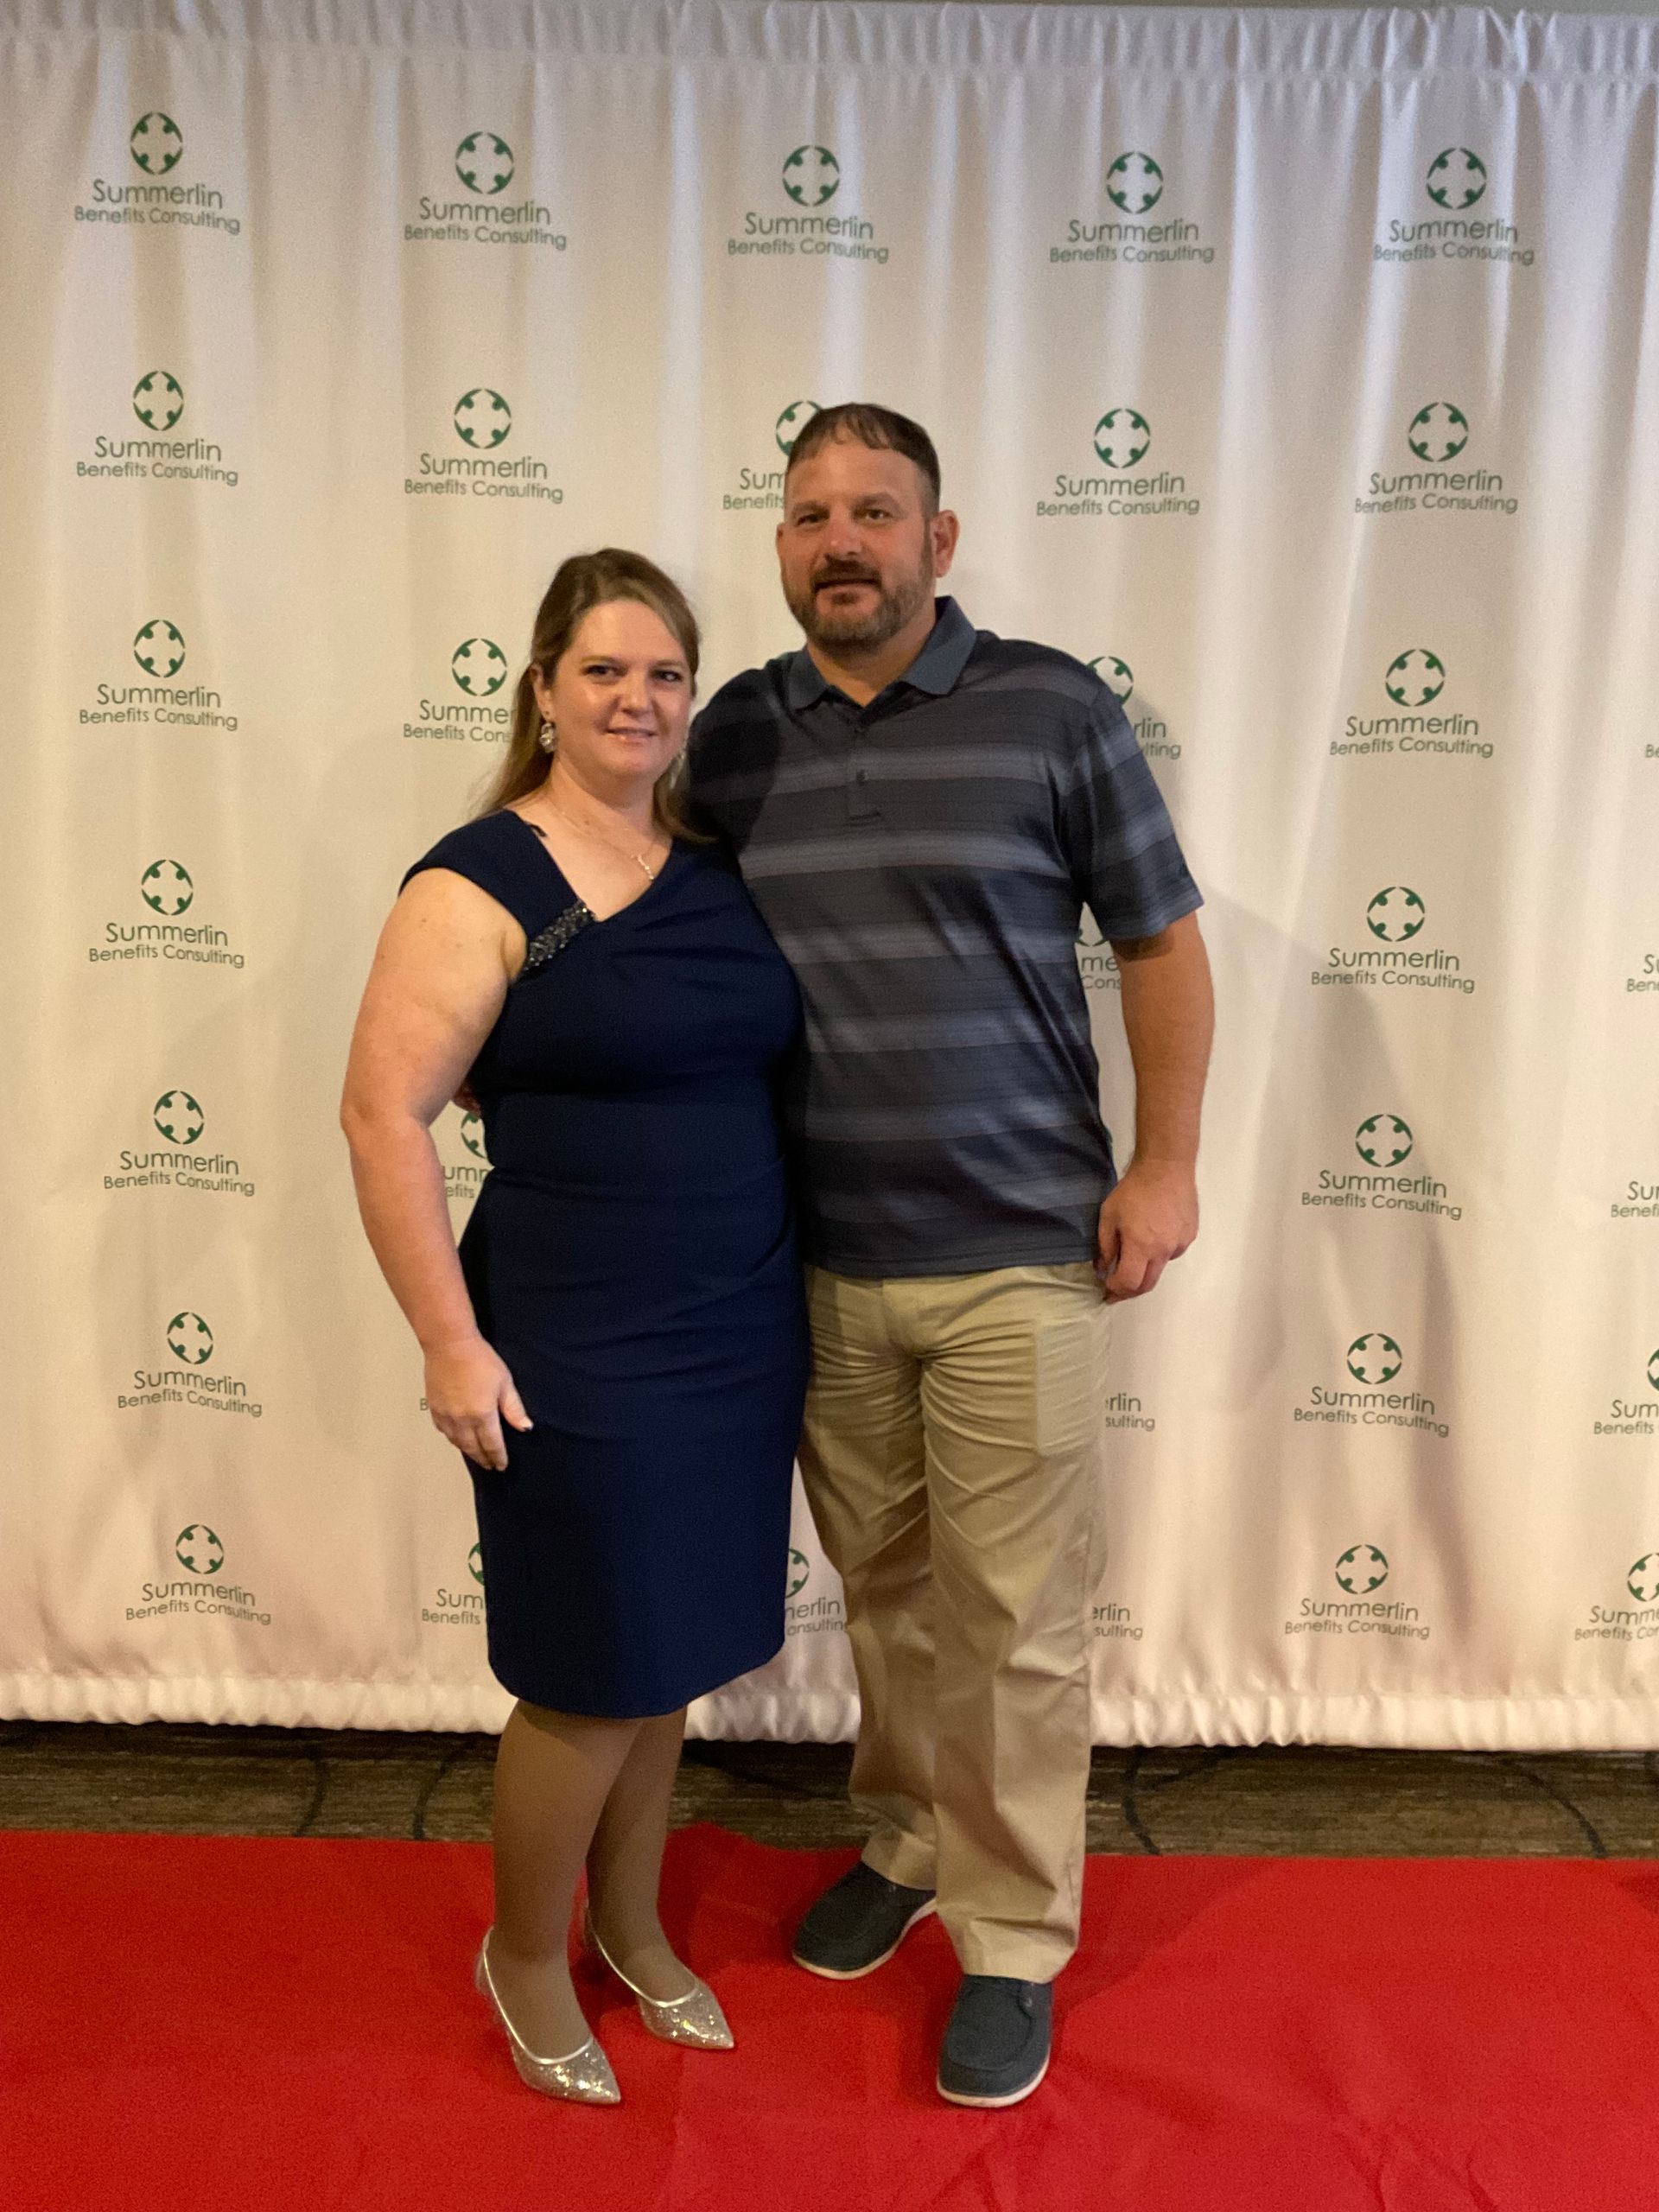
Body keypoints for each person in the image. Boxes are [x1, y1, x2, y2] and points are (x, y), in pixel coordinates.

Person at [689, 404, 1213, 2109]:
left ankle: (1011, 1936)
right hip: (818, 1260)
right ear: (783, 543)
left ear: (941, 538)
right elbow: (659, 944)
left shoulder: (1052, 707)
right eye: (810, 513)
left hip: (1015, 1254)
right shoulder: (734, 734)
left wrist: (1167, 1163)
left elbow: (1160, 943)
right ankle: (909, 1842)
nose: (840, 540)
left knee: (1015, 1621)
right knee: (891, 1596)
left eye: (875, 510)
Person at [340, 550, 809, 2105]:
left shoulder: (716, 861)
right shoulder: (477, 881)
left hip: (738, 1321)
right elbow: (383, 1117)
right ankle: (525, 1957)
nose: (637, 698)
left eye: (665, 673)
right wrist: (448, 1341)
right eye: (604, 670)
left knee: (667, 1659)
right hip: (573, 1337)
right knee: (590, 1671)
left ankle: (631, 1926)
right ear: (543, 689)